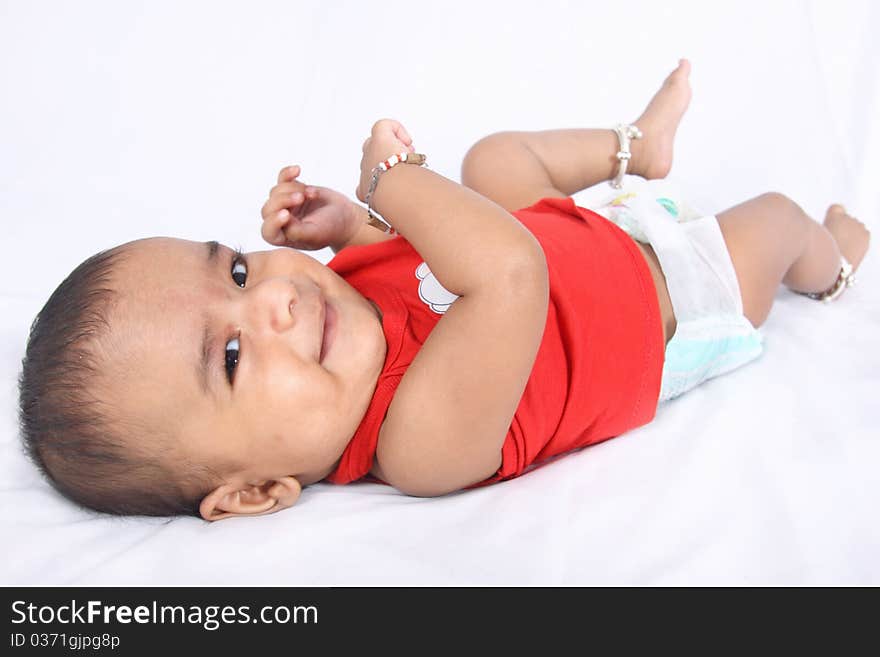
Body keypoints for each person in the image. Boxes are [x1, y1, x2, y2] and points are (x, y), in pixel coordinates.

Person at [18, 60, 870, 521]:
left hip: (587, 233)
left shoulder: (335, 315)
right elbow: (506, 275)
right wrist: (392, 182)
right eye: (232, 354)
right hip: (670, 299)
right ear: (254, 490)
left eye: (237, 271)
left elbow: (412, 269)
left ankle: (638, 148)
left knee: (493, 161)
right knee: (773, 220)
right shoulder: (419, 444)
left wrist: (353, 225)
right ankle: (831, 261)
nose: (271, 301)